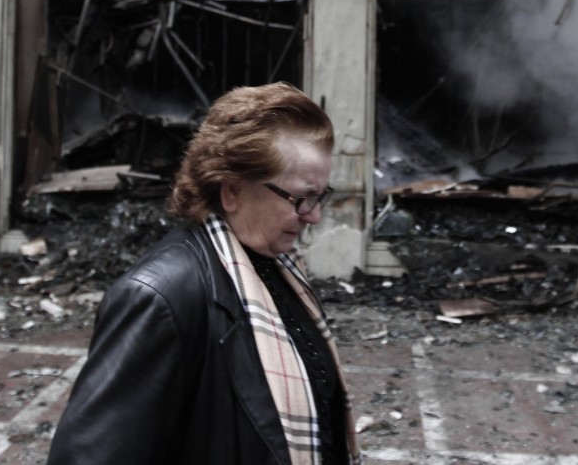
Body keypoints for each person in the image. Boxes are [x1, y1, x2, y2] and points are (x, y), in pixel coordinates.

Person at [47, 82, 362, 465]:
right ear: (233, 191)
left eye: (321, 195)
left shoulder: (274, 264)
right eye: (301, 198)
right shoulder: (160, 297)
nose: (315, 215)